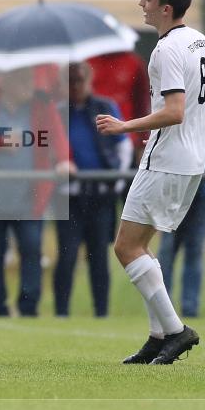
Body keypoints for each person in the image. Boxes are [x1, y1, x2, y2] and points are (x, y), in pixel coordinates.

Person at [97, 0, 205, 364]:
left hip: (166, 160)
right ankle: (157, 336)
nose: (141, 3)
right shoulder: (199, 40)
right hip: (190, 162)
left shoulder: (166, 49)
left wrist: (124, 127)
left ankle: (175, 330)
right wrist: (190, 131)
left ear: (165, 9)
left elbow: (173, 111)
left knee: (126, 247)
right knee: (142, 247)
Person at [0, 65, 71, 317]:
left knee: (31, 250)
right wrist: (0, 142)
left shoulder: (43, 105)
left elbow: (58, 138)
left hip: (30, 198)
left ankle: (28, 307)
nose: (31, 85)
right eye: (25, 81)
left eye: (31, 80)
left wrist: (64, 160)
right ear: (7, 81)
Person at [158, 46, 205, 317]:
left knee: (195, 248)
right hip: (179, 181)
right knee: (167, 247)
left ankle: (190, 309)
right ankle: (162, 308)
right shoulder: (181, 99)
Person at [54, 62, 132, 317]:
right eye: (70, 81)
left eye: (79, 80)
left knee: (98, 257)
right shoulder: (56, 112)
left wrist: (116, 179)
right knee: (66, 257)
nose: (75, 86)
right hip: (70, 196)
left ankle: (101, 312)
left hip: (100, 194)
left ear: (88, 81)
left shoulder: (104, 107)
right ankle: (61, 312)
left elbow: (123, 145)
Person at [87, 50, 151, 160]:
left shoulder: (133, 62)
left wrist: (142, 143)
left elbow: (142, 105)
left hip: (127, 137)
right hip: (91, 135)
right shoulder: (88, 60)